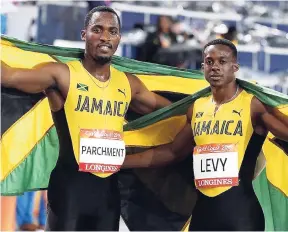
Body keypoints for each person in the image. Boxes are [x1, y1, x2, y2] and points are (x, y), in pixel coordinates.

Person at [1, 6, 171, 231]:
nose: (105, 37)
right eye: (97, 29)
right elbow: (7, 76)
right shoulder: (61, 74)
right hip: (69, 191)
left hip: (108, 196)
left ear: (119, 37)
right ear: (84, 35)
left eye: (112, 31)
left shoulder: (128, 84)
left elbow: (174, 112)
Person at [123, 39, 288, 231]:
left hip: (241, 217)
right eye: (210, 62)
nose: (215, 67)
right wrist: (118, 161)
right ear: (203, 67)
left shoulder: (254, 105)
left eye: (222, 61)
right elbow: (172, 152)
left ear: (235, 67)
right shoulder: (197, 108)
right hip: (203, 215)